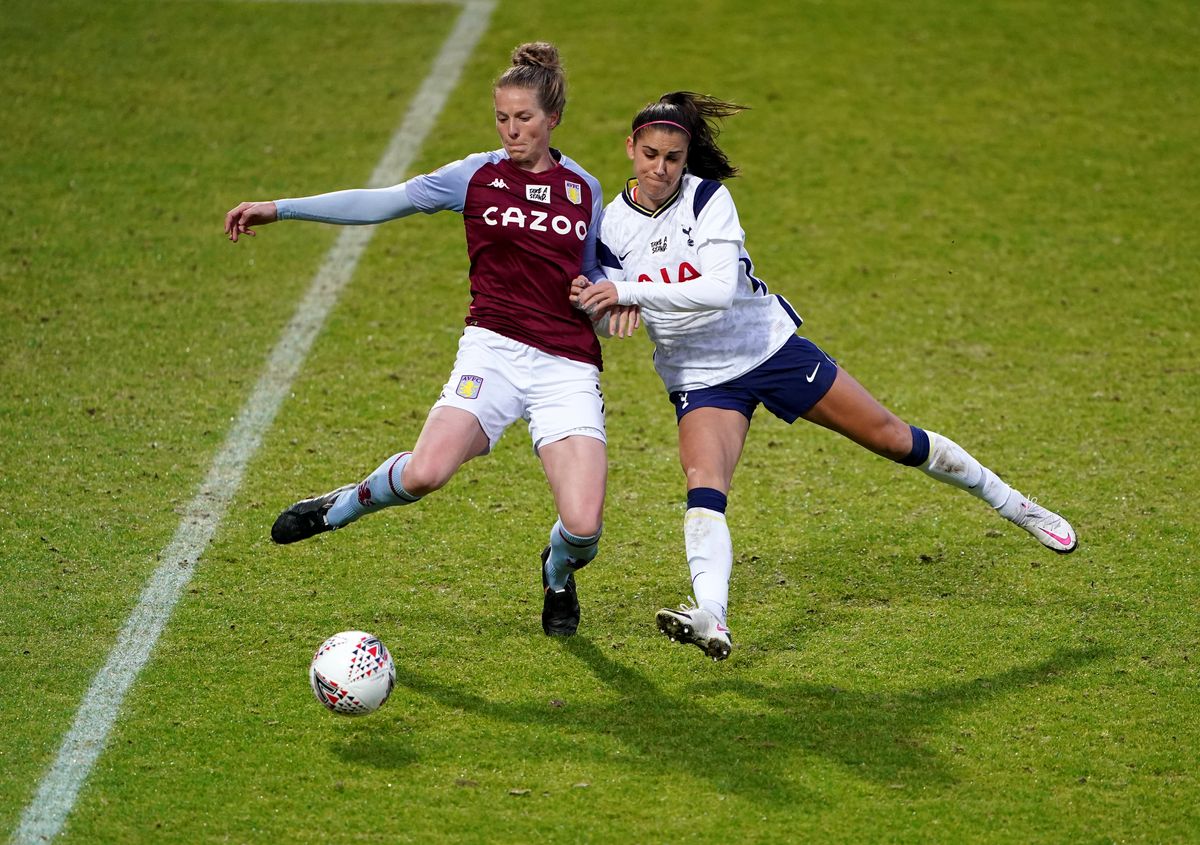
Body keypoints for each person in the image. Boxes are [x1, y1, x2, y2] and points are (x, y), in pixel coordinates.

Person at [573, 91, 1078, 661]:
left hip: (767, 348)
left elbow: (715, 293)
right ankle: (712, 615)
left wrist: (631, 291)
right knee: (704, 487)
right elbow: (609, 296)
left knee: (892, 437)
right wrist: (596, 301)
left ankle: (1015, 505)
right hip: (699, 375)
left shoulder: (709, 200)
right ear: (629, 149)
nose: (660, 168)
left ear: (687, 156)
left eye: (672, 157)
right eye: (649, 155)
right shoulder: (610, 226)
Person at [225, 42, 636, 637]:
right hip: (492, 347)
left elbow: (596, 269)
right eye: (502, 118)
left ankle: (556, 572)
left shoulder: (584, 190)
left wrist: (610, 299)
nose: (512, 131)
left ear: (553, 119)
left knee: (584, 527)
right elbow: (384, 201)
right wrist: (280, 209)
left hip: (565, 365)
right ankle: (339, 506)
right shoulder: (473, 176)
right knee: (424, 474)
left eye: (524, 118)